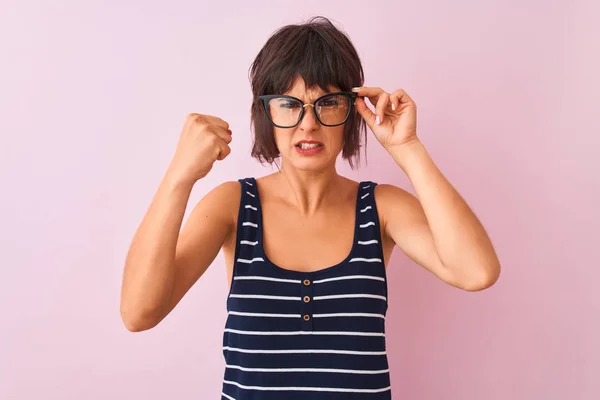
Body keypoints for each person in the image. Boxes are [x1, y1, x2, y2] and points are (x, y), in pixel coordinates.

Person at [120, 16, 501, 399]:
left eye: (328, 103)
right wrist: (178, 178)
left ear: (352, 110)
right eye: (289, 104)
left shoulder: (381, 208)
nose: (308, 125)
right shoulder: (233, 207)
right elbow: (139, 314)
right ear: (265, 113)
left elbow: (476, 271)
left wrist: (408, 148)